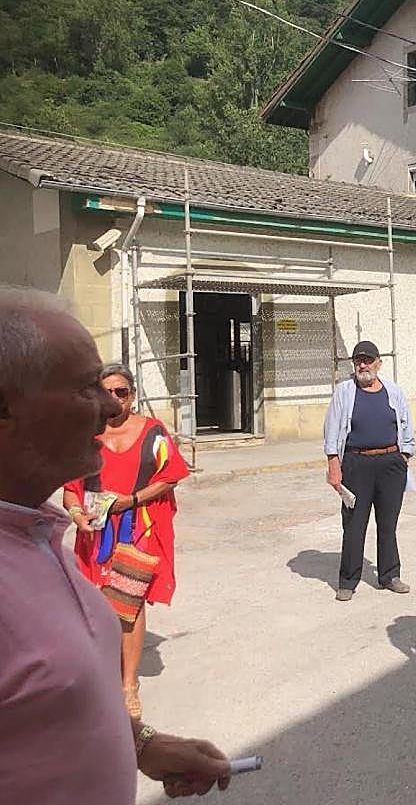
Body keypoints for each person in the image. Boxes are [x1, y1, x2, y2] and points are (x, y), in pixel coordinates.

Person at [0, 285, 230, 801]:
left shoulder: (34, 529)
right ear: (6, 406)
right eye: (86, 388)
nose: (108, 407)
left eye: (113, 390)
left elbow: (44, 709)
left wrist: (141, 746)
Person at [62, 363, 189, 719]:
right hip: (96, 532)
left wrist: (132, 500)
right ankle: (101, 675)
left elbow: (172, 475)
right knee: (96, 606)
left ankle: (128, 683)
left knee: (128, 605)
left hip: (139, 530)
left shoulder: (153, 431)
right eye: (108, 391)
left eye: (123, 391)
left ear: (132, 396)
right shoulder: (84, 435)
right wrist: (76, 516)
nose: (115, 398)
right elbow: (71, 490)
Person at [324, 340, 416, 601]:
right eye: (358, 360)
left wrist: (405, 455)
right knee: (354, 524)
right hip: (356, 464)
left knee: (388, 523)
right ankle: (348, 580)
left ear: (379, 363)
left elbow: (406, 424)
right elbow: (332, 430)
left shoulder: (394, 391)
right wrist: (334, 465)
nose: (363, 365)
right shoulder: (344, 392)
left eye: (368, 360)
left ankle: (389, 575)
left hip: (390, 464)